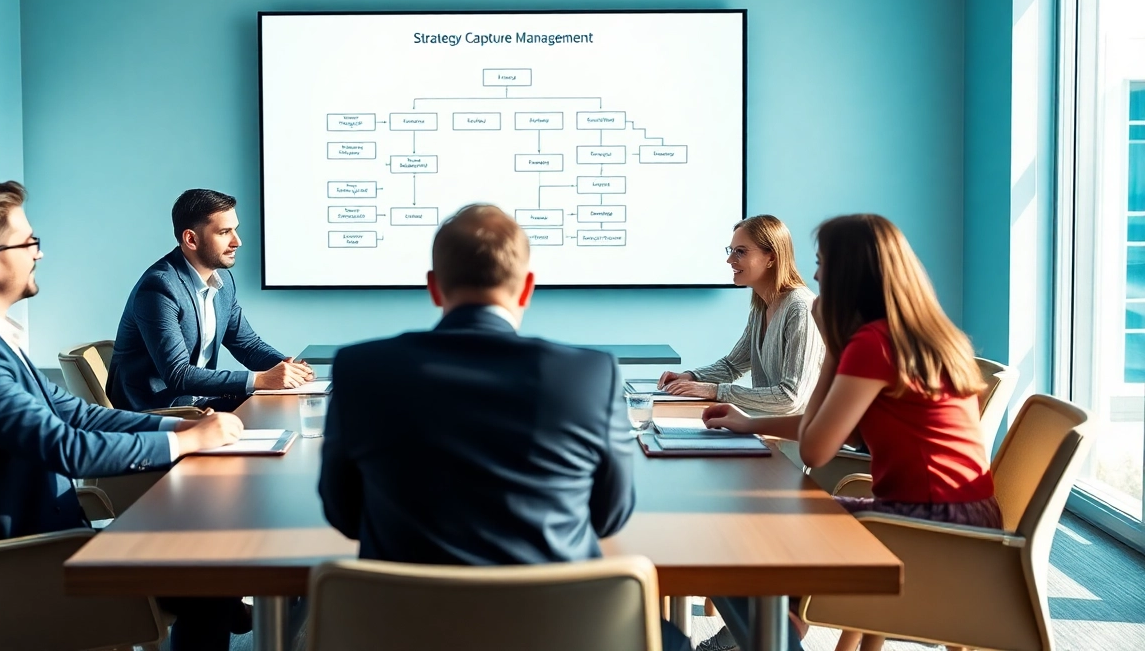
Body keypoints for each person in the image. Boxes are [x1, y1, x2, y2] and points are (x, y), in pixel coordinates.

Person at [318, 204, 689, 651]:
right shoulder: (591, 373)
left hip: (401, 630)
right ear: (527, 288)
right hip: (564, 630)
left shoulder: (361, 368)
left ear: (434, 287)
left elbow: (343, 513)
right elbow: (609, 517)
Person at [0, 182, 249, 651]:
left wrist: (178, 426)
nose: (38, 254)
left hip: (41, 536)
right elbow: (66, 447)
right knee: (207, 572)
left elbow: (75, 412)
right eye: (29, 243)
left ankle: (236, 606)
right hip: (15, 563)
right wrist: (186, 443)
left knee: (207, 566)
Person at [695, 214, 1001, 651]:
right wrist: (749, 423)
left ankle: (766, 638)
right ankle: (774, 635)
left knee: (746, 532)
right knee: (766, 526)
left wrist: (833, 349)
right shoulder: (917, 335)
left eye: (823, 263)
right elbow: (835, 429)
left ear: (851, 272)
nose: (816, 275)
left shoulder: (871, 343)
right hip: (963, 516)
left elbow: (818, 450)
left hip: (930, 529)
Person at [108, 188, 312, 412]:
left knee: (286, 407)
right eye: (224, 232)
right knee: (269, 412)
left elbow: (247, 346)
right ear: (191, 239)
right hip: (158, 409)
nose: (237, 242)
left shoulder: (222, 280)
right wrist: (260, 379)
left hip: (199, 402)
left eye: (235, 230)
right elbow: (178, 375)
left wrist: (285, 366)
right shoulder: (159, 288)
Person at [658, 215, 825, 415]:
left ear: (771, 257)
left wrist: (715, 391)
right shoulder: (761, 306)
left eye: (740, 252)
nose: (730, 260)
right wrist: (691, 377)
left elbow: (790, 398)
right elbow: (732, 365)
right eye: (731, 251)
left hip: (794, 439)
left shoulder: (800, 309)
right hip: (764, 426)